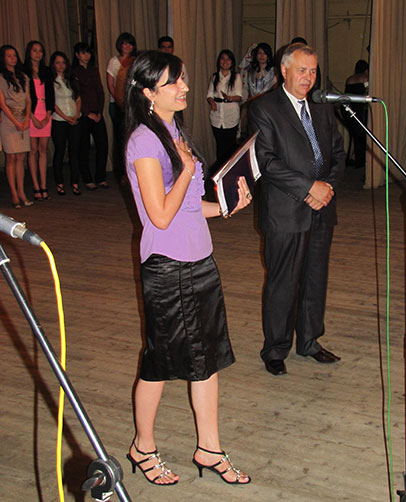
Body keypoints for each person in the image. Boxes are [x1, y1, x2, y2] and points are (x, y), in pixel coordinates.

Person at [124, 50, 251, 486]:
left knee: (207, 361)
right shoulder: (144, 141)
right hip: (167, 268)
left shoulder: (175, 131)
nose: (185, 87)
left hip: (200, 261)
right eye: (174, 82)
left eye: (183, 78)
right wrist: (186, 168)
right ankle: (142, 446)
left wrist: (227, 206)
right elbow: (159, 216)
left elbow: (190, 207)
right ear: (148, 92)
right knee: (159, 364)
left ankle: (209, 448)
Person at [248, 43, 345, 376]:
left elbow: (337, 153)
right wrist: (309, 188)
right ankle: (275, 349)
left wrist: (327, 188)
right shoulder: (263, 108)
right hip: (285, 211)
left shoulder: (321, 107)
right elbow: (266, 161)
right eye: (302, 70)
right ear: (284, 71)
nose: (309, 77)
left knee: (315, 279)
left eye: (313, 71)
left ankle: (309, 341)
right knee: (283, 282)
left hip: (322, 207)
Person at [71, 42, 109, 190]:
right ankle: (87, 178)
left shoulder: (94, 70)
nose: (86, 55)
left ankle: (101, 177)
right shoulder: (74, 71)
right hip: (83, 114)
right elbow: (77, 94)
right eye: (83, 53)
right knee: (84, 147)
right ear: (77, 55)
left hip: (97, 112)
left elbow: (100, 92)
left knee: (103, 144)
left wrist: (99, 111)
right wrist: (87, 113)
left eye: (88, 52)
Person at [0, 44, 33, 208]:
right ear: (3, 58)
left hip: (23, 119)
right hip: (8, 120)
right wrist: (15, 121)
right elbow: (2, 103)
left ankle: (21, 191)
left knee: (21, 157)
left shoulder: (23, 77)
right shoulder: (1, 77)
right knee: (11, 157)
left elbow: (28, 100)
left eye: (14, 55)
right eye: (9, 55)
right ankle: (13, 193)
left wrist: (26, 119)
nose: (13, 58)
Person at [24, 40, 55, 200]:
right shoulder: (23, 70)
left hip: (45, 112)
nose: (38, 53)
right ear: (29, 52)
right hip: (31, 113)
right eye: (34, 50)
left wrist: (48, 114)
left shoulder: (46, 71)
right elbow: (24, 97)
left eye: (40, 51)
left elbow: (51, 94)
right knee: (33, 150)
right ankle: (36, 186)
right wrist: (32, 117)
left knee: (43, 150)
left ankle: (43, 185)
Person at [49, 51, 82, 195]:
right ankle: (59, 183)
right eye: (58, 62)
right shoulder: (51, 81)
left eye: (63, 62)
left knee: (74, 152)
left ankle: (75, 182)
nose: (61, 65)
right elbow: (52, 103)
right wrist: (65, 117)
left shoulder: (71, 79)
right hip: (59, 120)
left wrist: (76, 114)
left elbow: (78, 98)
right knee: (60, 151)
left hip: (74, 118)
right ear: (53, 64)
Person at [106, 32, 136, 180]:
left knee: (133, 138)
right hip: (117, 105)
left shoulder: (135, 61)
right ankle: (121, 173)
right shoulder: (114, 61)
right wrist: (119, 101)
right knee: (120, 138)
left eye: (129, 43)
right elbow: (110, 84)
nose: (127, 46)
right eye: (124, 43)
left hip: (132, 106)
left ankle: (133, 171)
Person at [206, 49, 243, 168]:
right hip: (216, 117)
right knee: (220, 146)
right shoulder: (214, 77)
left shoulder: (236, 76)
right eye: (223, 59)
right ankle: (219, 171)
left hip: (231, 115)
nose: (225, 61)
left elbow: (239, 96)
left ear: (232, 62)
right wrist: (212, 102)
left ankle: (230, 170)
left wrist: (229, 98)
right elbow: (209, 94)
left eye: (228, 59)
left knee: (230, 147)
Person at [342, 59, 369, 170]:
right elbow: (367, 93)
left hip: (348, 109)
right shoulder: (365, 78)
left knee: (355, 135)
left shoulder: (349, 79)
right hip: (359, 109)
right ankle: (361, 160)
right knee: (362, 135)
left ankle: (356, 159)